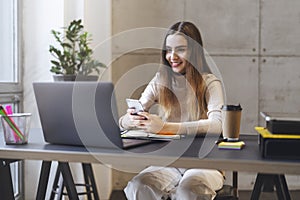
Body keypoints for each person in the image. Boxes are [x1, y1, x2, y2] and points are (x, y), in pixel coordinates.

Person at [119, 21, 225, 200]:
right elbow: (126, 119)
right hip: (169, 162)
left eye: (180, 50)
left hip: (205, 162)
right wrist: (130, 120)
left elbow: (217, 125)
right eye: (168, 50)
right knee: (139, 186)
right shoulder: (161, 79)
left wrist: (166, 127)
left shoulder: (210, 82)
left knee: (188, 190)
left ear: (194, 51)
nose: (172, 56)